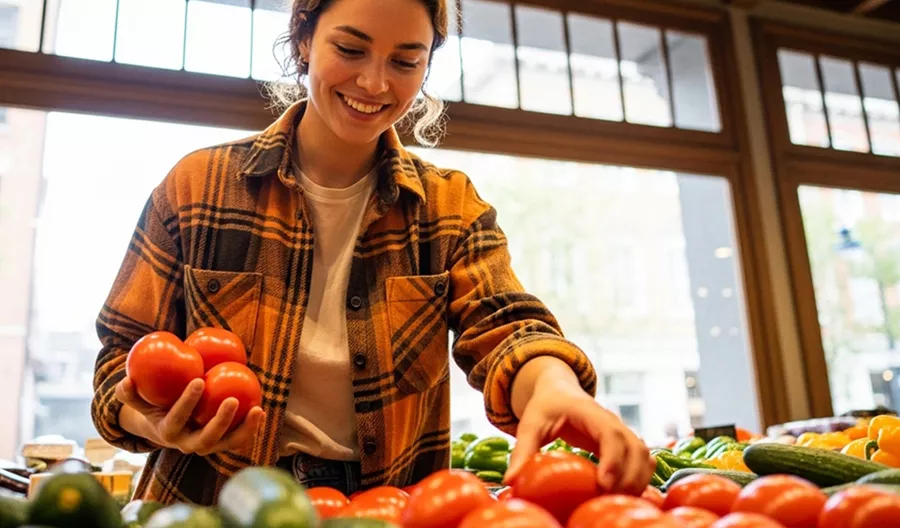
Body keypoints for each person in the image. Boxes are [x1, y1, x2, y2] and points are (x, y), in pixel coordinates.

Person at [91, 0, 653, 505]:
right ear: (304, 39)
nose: (375, 82)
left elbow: (506, 325)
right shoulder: (199, 185)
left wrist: (553, 383)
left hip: (383, 507)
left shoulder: (448, 207)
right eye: (351, 48)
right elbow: (119, 362)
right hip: (210, 502)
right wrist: (153, 422)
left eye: (406, 62)